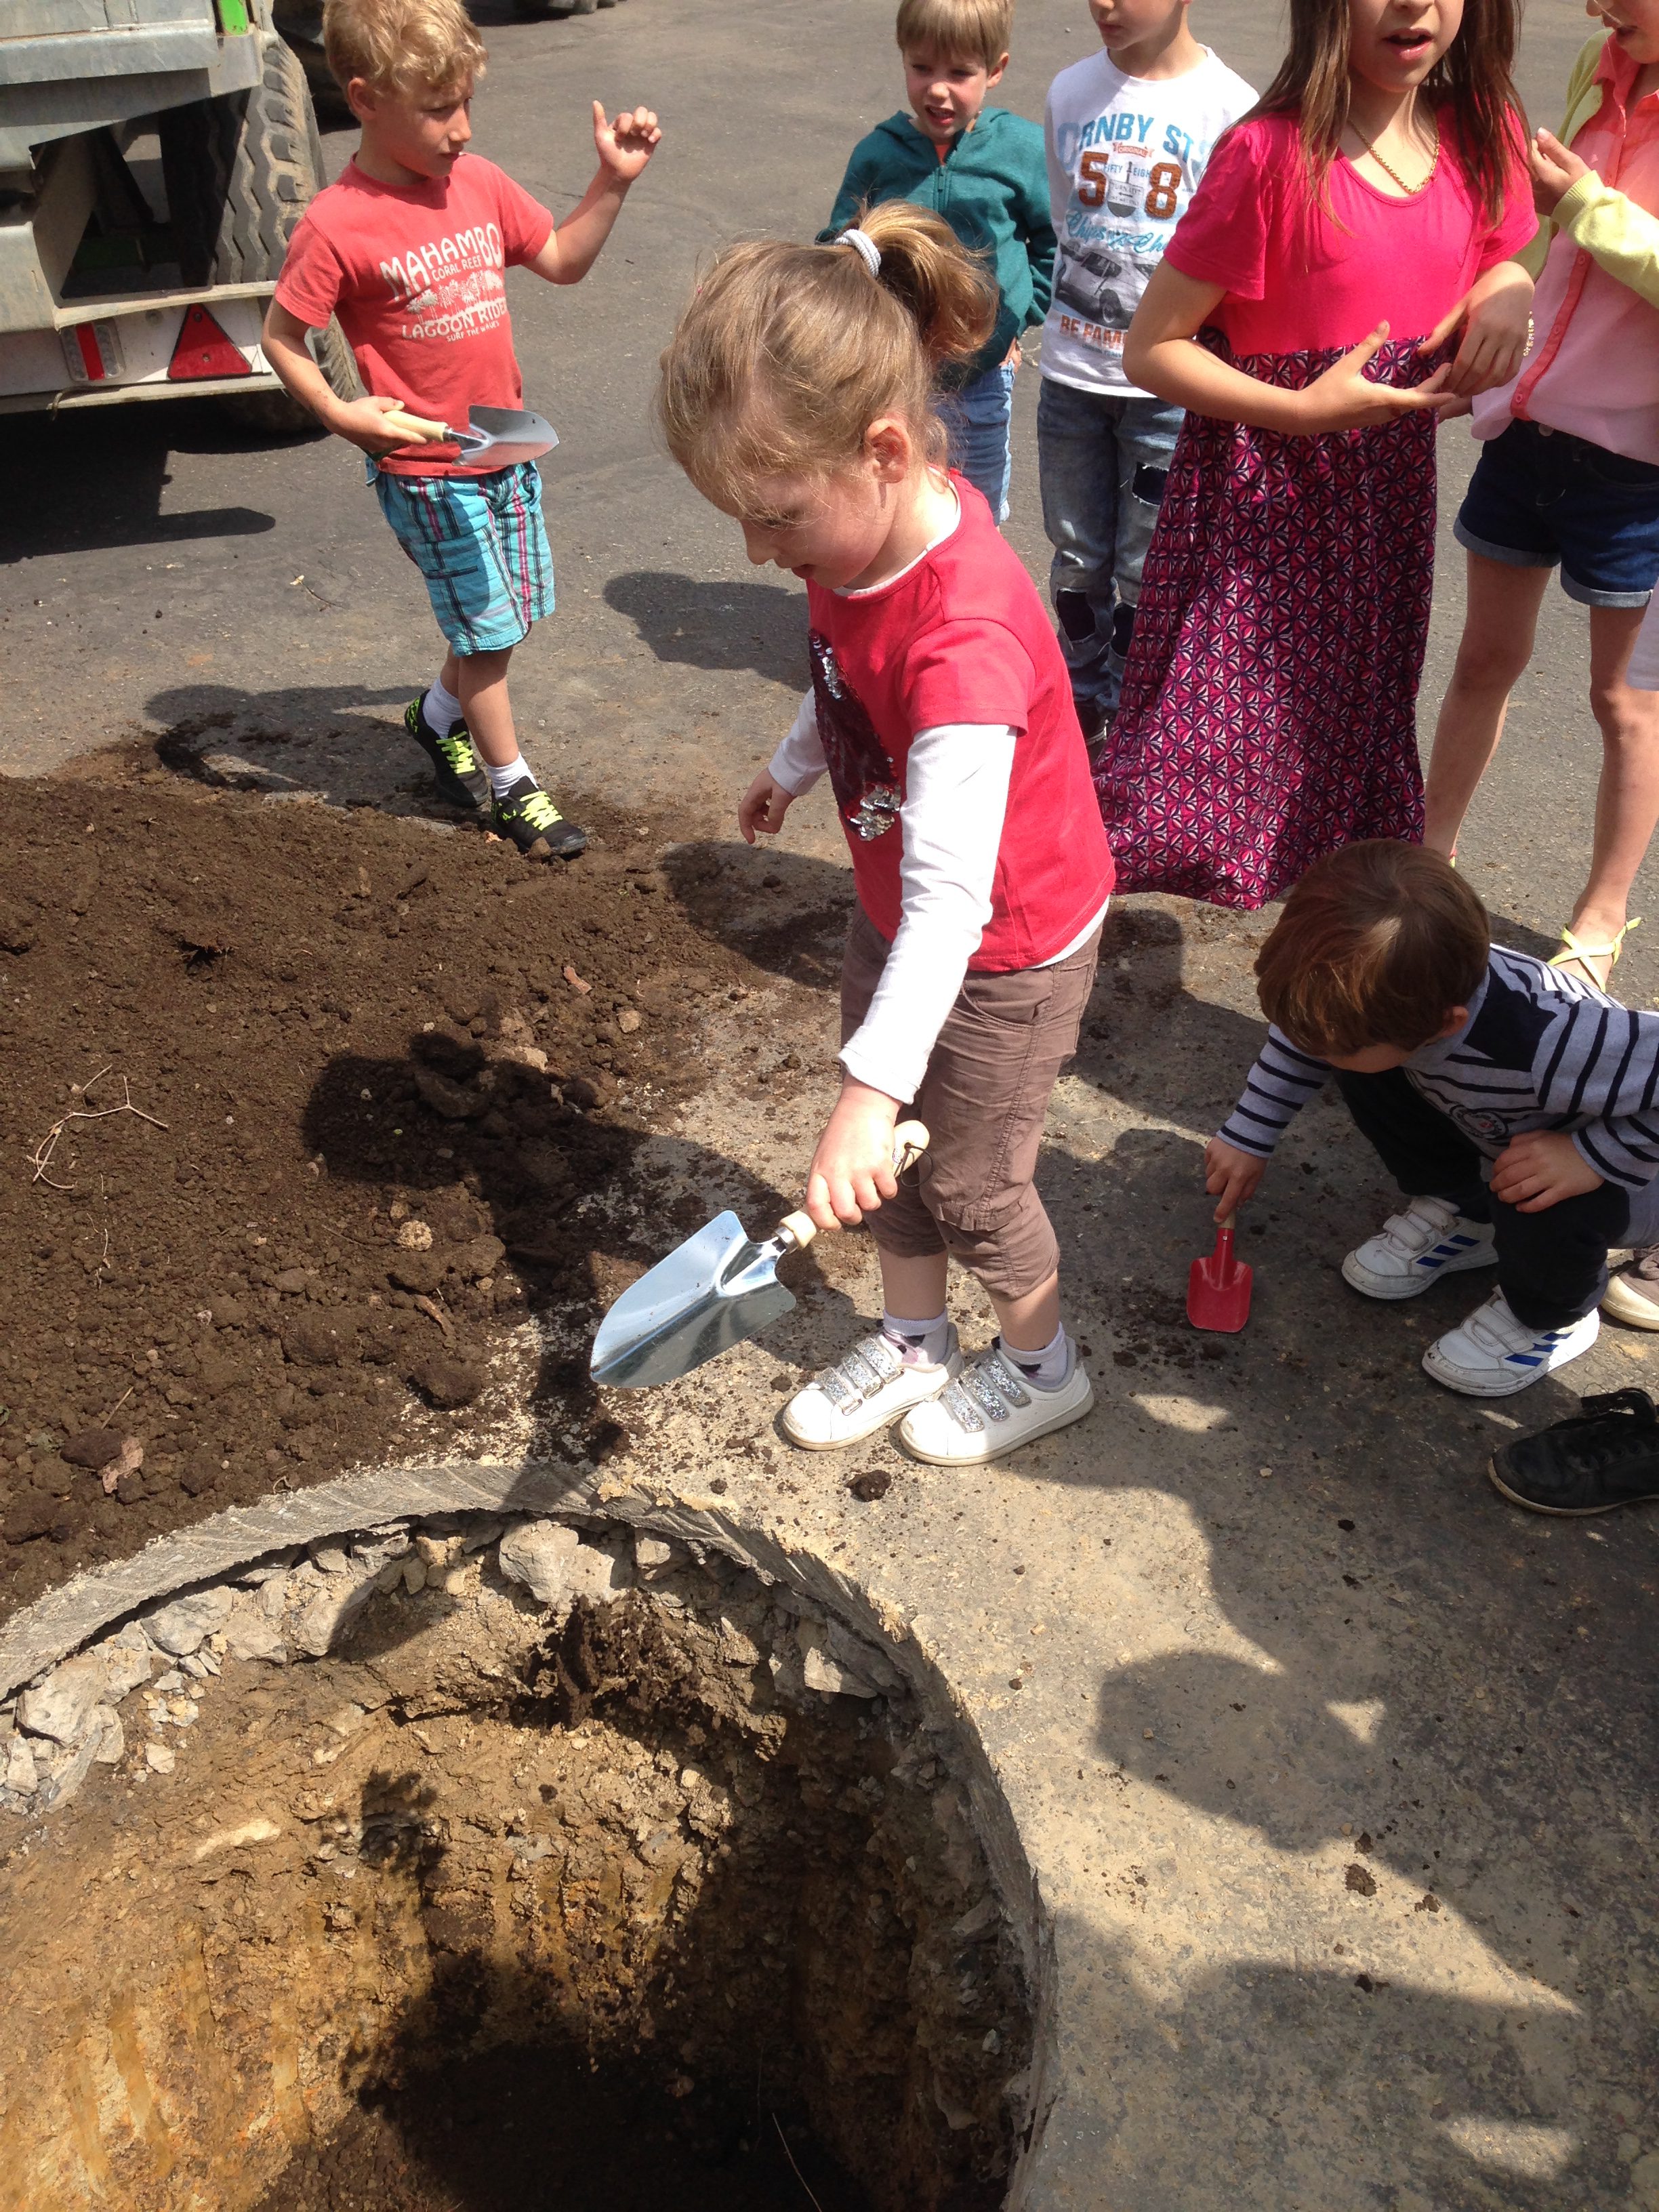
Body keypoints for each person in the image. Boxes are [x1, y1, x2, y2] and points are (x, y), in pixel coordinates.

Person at [657, 203, 1114, 1467]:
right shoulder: (856, 543)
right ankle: (915, 1341)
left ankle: (1044, 1366)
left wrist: (869, 1093)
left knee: (970, 1180)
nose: (757, 550)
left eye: (773, 516)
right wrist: (792, 765)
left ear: (884, 451)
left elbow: (955, 902)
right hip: (902, 908)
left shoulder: (964, 642)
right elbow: (843, 677)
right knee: (892, 1169)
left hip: (1005, 942)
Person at [1094, 0, 1536, 909]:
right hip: (1263, 517)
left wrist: (1508, 287)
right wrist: (1299, 412)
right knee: (1185, 786)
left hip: (1384, 516)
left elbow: (1502, 248)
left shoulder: (1482, 129)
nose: (1412, 2)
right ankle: (1008, 914)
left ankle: (1325, 977)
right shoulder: (1268, 157)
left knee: (1339, 783)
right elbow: (1152, 348)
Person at [262, 0, 661, 860]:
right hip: (427, 469)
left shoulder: (476, 183)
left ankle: (437, 716)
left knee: (510, 617)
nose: (464, 128)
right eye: (440, 109)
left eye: (468, 102)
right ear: (365, 100)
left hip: (504, 443)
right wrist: (340, 412)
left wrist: (613, 182)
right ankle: (515, 789)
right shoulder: (336, 223)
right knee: (488, 632)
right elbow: (282, 337)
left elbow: (561, 260)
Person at [1205, 841, 1659, 1399]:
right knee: (1366, 1067)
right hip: (1507, 1130)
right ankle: (1469, 1214)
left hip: (1634, 1172)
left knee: (1542, 1192)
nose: (1313, 1047)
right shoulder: (1398, 993)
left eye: (1331, 1042)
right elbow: (1312, 1030)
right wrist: (1250, 1132)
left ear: (1448, 1024)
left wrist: (1589, 1157)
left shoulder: (1555, 1041)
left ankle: (1551, 1316)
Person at [1424, 9, 1659, 996]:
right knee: (1482, 659)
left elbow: (1582, 215)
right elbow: (1541, 237)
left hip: (1635, 466)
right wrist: (1502, 294)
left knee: (1626, 702)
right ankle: (1428, 862)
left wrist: (1587, 204)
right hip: (1530, 430)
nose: (1598, 8)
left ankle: (1600, 919)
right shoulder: (1605, 65)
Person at [1037, 0, 1254, 745]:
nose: (1105, 3)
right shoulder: (1070, 91)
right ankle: (1077, 705)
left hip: (1166, 391)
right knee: (1076, 556)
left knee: (1146, 566)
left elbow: (1233, 256)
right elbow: (1064, 219)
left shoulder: (1231, 109)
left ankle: (1131, 715)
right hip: (1072, 377)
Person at [823, 0, 1054, 523]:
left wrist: (1020, 315)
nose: (938, 89)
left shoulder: (1019, 151)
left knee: (975, 508)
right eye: (922, 67)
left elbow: (1052, 239)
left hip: (981, 376)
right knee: (890, 500)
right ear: (903, 57)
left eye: (960, 73)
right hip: (891, 372)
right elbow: (838, 244)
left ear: (995, 70)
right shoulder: (879, 153)